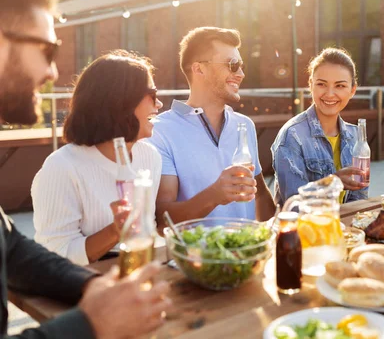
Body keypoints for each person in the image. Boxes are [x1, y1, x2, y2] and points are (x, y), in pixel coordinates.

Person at [0, 0, 170, 338]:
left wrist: (91, 287)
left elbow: (11, 249)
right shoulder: (62, 167)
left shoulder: (149, 155)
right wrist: (92, 324)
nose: (54, 74)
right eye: (47, 49)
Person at [31, 51, 163, 265]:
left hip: (137, 273)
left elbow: (147, 232)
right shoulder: (62, 168)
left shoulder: (150, 157)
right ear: (121, 102)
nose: (159, 105)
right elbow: (54, 254)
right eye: (153, 95)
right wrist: (115, 231)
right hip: (83, 287)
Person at [148, 27, 275, 227]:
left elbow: (259, 196)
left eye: (241, 65)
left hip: (250, 253)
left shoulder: (244, 125)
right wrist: (215, 195)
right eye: (232, 65)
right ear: (199, 69)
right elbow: (163, 218)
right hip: (194, 257)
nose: (240, 74)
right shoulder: (159, 131)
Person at [271, 48, 368, 205]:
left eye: (340, 86)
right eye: (322, 84)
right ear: (311, 85)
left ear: (352, 90)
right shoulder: (293, 135)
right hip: (301, 228)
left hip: (343, 227)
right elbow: (294, 205)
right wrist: (332, 183)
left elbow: (358, 200)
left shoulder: (356, 136)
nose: (330, 94)